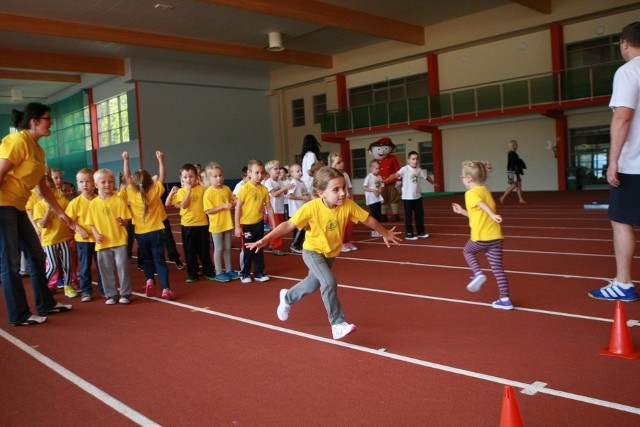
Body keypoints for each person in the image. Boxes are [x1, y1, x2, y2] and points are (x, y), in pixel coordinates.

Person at [246, 166, 402, 340]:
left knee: (312, 285)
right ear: (321, 193)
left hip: (330, 254)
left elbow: (369, 219)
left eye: (343, 188)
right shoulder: (311, 208)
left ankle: (288, 297)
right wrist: (267, 239)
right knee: (329, 282)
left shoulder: (348, 206)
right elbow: (288, 225)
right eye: (336, 190)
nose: (342, 193)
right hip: (312, 251)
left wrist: (385, 233)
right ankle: (337, 323)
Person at [0, 103, 72, 326]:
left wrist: (63, 215)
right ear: (34, 121)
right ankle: (19, 315)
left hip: (19, 208)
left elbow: (43, 189)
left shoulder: (38, 151)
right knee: (10, 263)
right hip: (3, 207)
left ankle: (46, 303)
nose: (51, 122)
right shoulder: (16, 141)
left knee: (38, 256)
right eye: (48, 118)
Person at [588, 22, 640, 302]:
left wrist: (612, 161)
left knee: (621, 220)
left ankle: (623, 283)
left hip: (636, 164)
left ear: (624, 43)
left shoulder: (629, 71)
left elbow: (622, 117)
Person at [452, 161, 514, 310]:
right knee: (498, 269)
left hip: (481, 237)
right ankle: (505, 299)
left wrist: (492, 214)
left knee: (467, 251)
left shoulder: (471, 193)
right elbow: (476, 214)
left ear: (468, 178)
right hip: (495, 237)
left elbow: (480, 204)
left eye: (462, 176)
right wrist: (462, 212)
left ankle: (477, 273)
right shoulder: (484, 189)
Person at [123, 150, 176, 300]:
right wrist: (161, 159)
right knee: (159, 260)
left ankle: (149, 280)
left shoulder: (131, 193)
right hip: (156, 232)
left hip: (140, 234)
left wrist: (126, 159)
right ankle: (165, 288)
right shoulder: (155, 191)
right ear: (150, 182)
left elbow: (126, 177)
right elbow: (162, 176)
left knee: (147, 260)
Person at [86, 168, 133, 304]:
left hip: (119, 240)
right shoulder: (93, 204)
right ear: (96, 185)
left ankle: (125, 293)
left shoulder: (118, 200)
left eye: (110, 182)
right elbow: (91, 223)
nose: (107, 184)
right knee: (105, 269)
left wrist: (122, 221)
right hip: (103, 243)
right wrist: (96, 235)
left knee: (122, 267)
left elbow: (126, 219)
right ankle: (111, 294)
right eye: (103, 182)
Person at [167, 163, 216, 283]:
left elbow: (211, 194)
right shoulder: (182, 191)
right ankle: (193, 273)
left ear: (196, 177)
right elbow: (184, 205)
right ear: (181, 179)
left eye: (191, 176)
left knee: (204, 250)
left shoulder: (202, 189)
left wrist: (202, 183)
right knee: (190, 251)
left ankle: (208, 270)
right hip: (188, 226)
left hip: (202, 225)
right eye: (185, 177)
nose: (188, 179)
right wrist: (188, 191)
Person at [33, 175, 76, 298]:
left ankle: (68, 286)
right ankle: (42, 286)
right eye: (45, 188)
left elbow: (70, 218)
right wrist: (48, 209)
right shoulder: (39, 206)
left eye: (51, 187)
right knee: (53, 266)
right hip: (49, 241)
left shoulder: (62, 201)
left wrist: (72, 233)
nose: (49, 191)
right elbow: (43, 224)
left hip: (64, 238)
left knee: (67, 264)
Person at [65, 168, 104, 301]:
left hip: (100, 239)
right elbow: (69, 221)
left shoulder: (100, 199)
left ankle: (104, 289)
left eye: (88, 181)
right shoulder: (75, 203)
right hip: (84, 240)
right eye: (81, 182)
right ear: (77, 183)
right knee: (85, 266)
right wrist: (78, 229)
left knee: (102, 265)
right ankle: (86, 291)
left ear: (94, 183)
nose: (84, 185)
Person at [234, 160, 276, 283]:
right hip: (246, 224)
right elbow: (238, 207)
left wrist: (274, 225)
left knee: (259, 248)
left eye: (262, 173)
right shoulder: (244, 189)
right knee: (247, 250)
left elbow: (269, 207)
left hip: (259, 223)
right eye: (256, 172)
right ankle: (244, 273)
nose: (259, 176)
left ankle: (259, 273)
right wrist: (237, 226)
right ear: (249, 173)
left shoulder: (264, 189)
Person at [203, 163, 241, 281]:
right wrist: (224, 206)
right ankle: (219, 272)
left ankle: (229, 269)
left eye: (220, 175)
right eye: (215, 176)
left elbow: (231, 199)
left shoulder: (226, 189)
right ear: (209, 178)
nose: (218, 178)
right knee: (218, 249)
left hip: (227, 223)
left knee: (227, 248)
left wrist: (234, 202)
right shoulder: (208, 193)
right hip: (216, 225)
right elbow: (209, 211)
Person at [388, 151, 436, 240]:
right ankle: (409, 233)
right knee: (408, 216)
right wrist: (385, 180)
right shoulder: (404, 169)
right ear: (408, 160)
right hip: (407, 198)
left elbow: (426, 177)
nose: (415, 161)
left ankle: (420, 232)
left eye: (417, 159)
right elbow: (395, 175)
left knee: (419, 215)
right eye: (413, 159)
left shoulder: (419, 170)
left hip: (417, 197)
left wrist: (433, 183)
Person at [263, 159, 294, 256]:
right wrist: (285, 188)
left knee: (279, 228)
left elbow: (284, 192)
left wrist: (287, 189)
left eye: (278, 168)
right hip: (273, 209)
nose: (278, 170)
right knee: (277, 228)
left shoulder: (280, 181)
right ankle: (276, 246)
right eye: (275, 169)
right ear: (269, 171)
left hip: (280, 209)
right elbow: (274, 194)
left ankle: (273, 243)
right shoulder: (269, 182)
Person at [329, 152, 358, 252]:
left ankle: (347, 241)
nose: (342, 164)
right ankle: (340, 243)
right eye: (338, 162)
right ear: (332, 164)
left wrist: (352, 199)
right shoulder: (331, 176)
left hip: (347, 201)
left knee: (349, 224)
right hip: (337, 203)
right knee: (339, 223)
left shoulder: (345, 174)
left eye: (342, 161)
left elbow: (349, 188)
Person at [286, 163, 311, 253]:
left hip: (302, 208)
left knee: (300, 227)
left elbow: (305, 193)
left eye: (301, 171)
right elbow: (289, 195)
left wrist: (308, 196)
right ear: (291, 173)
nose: (300, 173)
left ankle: (296, 244)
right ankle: (295, 245)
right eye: (297, 171)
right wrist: (303, 198)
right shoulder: (293, 183)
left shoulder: (302, 182)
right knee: (302, 227)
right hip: (296, 209)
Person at [499, 140, 527, 204]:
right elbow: (512, 164)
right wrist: (514, 172)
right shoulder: (511, 153)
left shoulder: (513, 153)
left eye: (517, 145)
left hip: (514, 171)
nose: (517, 146)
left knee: (519, 185)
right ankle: (502, 197)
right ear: (512, 146)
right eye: (515, 145)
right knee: (514, 185)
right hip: (513, 171)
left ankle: (521, 199)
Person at [363, 159, 385, 238]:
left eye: (379, 168)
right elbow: (364, 187)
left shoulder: (379, 177)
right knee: (374, 215)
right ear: (371, 168)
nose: (378, 170)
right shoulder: (369, 177)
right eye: (376, 168)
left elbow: (381, 186)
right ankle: (373, 230)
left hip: (378, 198)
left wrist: (379, 191)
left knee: (379, 215)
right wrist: (373, 190)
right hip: (371, 200)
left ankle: (378, 230)